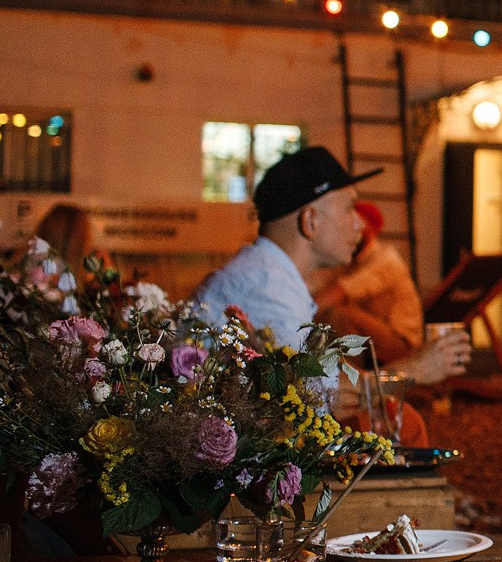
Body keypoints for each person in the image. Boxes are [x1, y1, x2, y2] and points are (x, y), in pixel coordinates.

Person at [194, 147, 469, 390]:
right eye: (350, 209)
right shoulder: (268, 289)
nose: (360, 225)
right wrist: (415, 369)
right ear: (310, 220)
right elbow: (318, 397)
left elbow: (322, 385)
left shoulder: (270, 274)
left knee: (406, 423)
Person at [314, 200, 424, 365]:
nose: (349, 230)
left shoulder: (385, 259)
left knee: (340, 315)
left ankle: (351, 385)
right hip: (373, 337)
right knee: (327, 316)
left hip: (402, 344)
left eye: (356, 223)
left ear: (371, 228)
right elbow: (318, 287)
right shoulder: (351, 261)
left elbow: (338, 293)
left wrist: (296, 319)